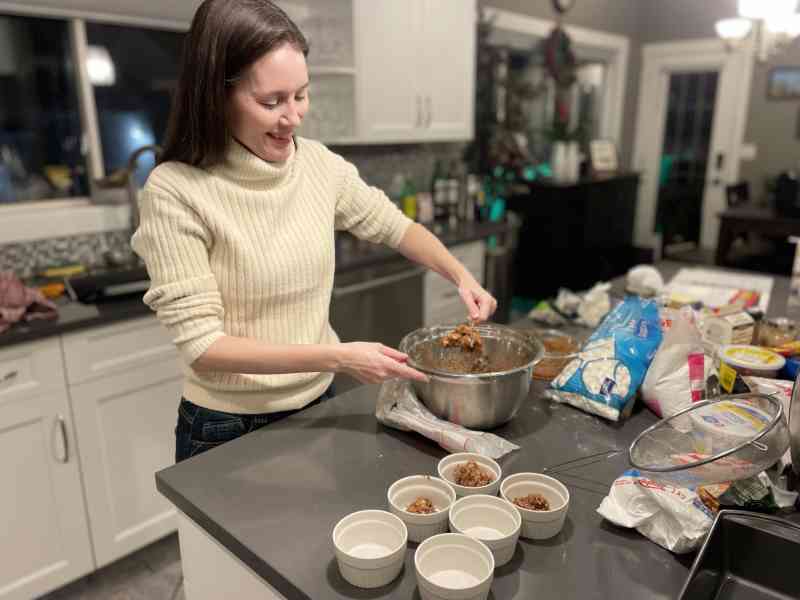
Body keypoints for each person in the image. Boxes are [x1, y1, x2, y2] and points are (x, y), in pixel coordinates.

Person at [132, 0, 497, 463]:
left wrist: (461, 276)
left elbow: (396, 227)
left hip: (318, 405)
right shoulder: (175, 191)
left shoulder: (319, 165)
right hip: (227, 428)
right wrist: (340, 356)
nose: (294, 116)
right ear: (216, 96)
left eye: (300, 94)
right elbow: (205, 347)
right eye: (272, 102)